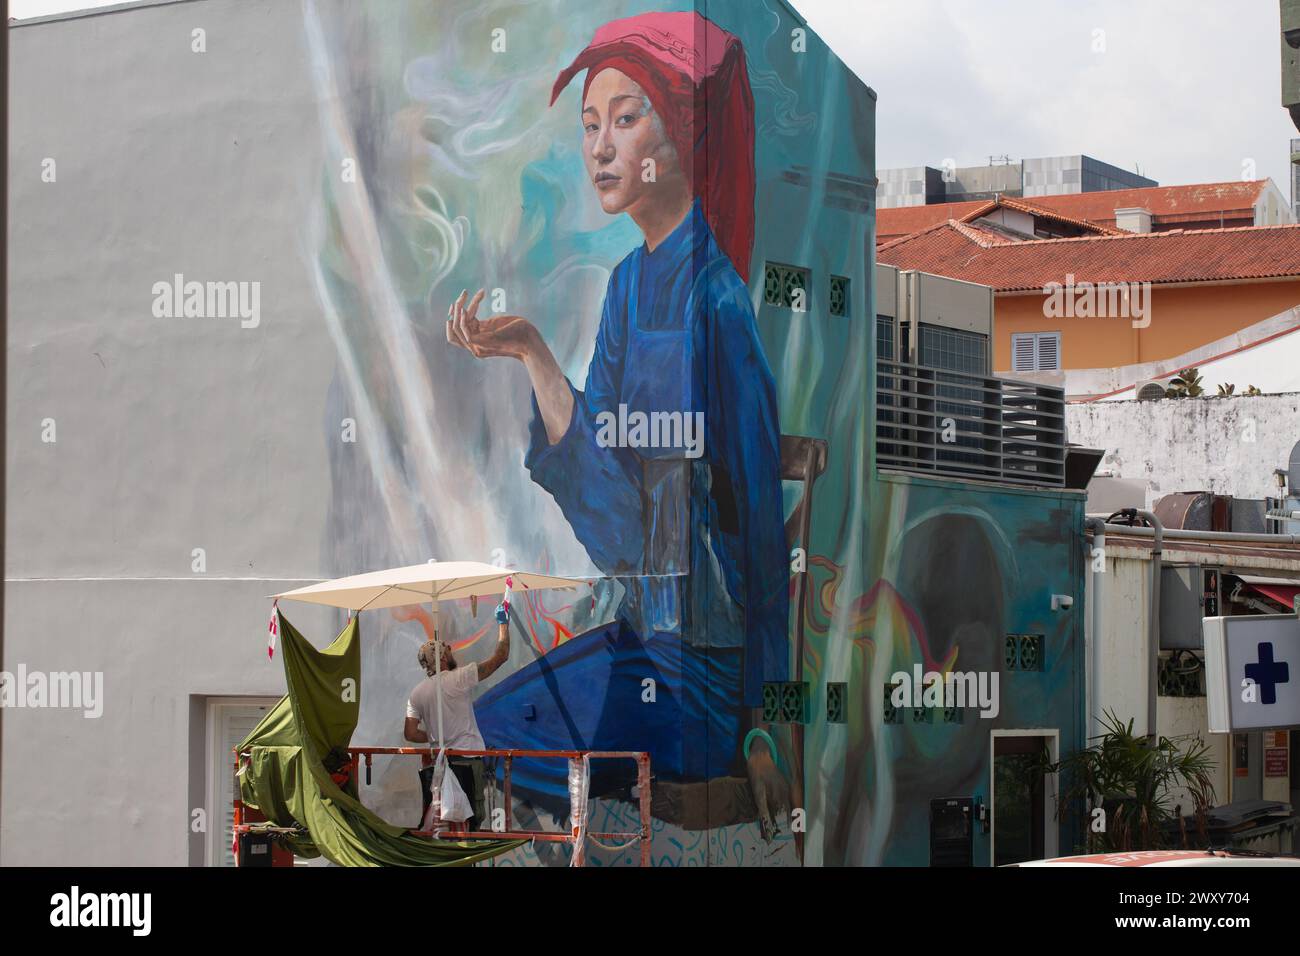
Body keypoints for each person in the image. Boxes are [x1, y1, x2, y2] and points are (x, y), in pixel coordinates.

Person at [444, 12, 790, 823]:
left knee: (507, 734)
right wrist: (532, 352)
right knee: (491, 725)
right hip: (633, 640)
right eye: (589, 125)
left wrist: (765, 722)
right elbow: (612, 522)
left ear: (683, 137)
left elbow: (764, 531)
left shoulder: (719, 305)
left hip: (700, 671)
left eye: (625, 119)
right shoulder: (626, 290)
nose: (599, 147)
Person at [404, 601, 511, 831]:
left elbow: (410, 733)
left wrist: (435, 736)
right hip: (468, 761)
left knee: (442, 824)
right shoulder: (459, 678)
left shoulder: (417, 693)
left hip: (439, 764)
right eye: (449, 651)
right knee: (470, 822)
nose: (453, 655)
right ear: (442, 657)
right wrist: (503, 624)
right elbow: (500, 657)